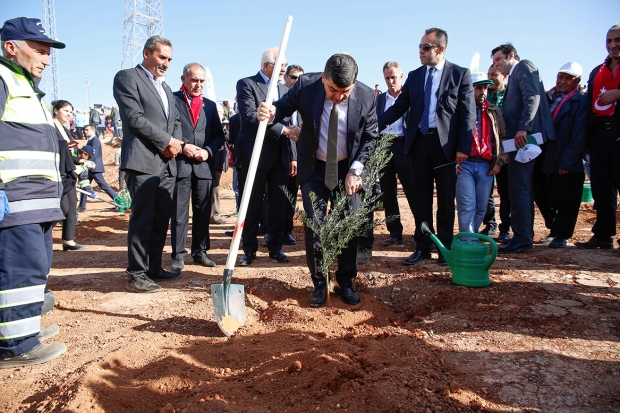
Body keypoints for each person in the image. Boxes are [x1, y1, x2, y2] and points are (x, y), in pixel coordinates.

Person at [258, 53, 378, 307]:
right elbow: (282, 109)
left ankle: (345, 281)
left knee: (349, 224)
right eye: (333, 90)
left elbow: (371, 136)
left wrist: (356, 170)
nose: (339, 97)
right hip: (314, 168)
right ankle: (320, 282)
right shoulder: (305, 86)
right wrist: (271, 112)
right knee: (316, 225)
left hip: (348, 168)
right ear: (324, 78)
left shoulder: (367, 96)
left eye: (345, 92)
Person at [0, 16, 67, 367]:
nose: (45, 57)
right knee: (18, 270)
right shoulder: (3, 79)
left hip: (38, 200)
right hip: (16, 198)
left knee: (34, 268)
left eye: (47, 52)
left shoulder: (27, 86)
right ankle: (15, 346)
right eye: (38, 50)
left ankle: (23, 330)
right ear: (11, 47)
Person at [379, 28, 476, 266]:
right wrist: (370, 124)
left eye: (425, 47)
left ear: (440, 49)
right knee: (421, 198)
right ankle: (423, 246)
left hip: (445, 147)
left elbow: (467, 115)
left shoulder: (459, 74)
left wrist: (463, 148)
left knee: (445, 198)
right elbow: (398, 108)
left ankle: (444, 248)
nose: (420, 51)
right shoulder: (415, 75)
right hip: (418, 144)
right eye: (420, 47)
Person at [113, 34, 183, 293]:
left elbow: (174, 121)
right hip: (143, 160)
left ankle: (154, 267)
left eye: (169, 59)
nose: (166, 63)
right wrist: (165, 142)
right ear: (147, 53)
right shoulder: (127, 77)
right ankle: (136, 273)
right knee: (142, 218)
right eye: (162, 57)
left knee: (160, 218)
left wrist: (176, 143)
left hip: (166, 163)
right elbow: (134, 118)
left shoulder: (165, 88)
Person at [491, 43, 556, 253]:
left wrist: (523, 128)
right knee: (520, 187)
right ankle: (521, 235)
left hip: (525, 140)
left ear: (511, 55)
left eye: (499, 60)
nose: (496, 65)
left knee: (520, 187)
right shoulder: (514, 75)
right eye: (494, 62)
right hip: (520, 141)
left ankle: (523, 238)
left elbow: (533, 97)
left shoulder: (524, 66)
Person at [235, 47, 296, 266]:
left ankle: (275, 247)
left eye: (284, 65)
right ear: (265, 66)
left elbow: (289, 121)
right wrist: (284, 130)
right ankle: (249, 249)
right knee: (251, 205)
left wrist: (293, 156)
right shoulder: (247, 84)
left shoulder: (284, 90)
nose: (283, 69)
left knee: (278, 204)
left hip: (279, 156)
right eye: (279, 65)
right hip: (254, 156)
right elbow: (251, 118)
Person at [357, 60, 416, 264]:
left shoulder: (410, 98)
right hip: (382, 147)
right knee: (387, 192)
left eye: (394, 77)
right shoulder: (378, 100)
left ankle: (421, 233)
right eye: (387, 78)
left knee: (412, 190)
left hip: (404, 146)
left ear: (401, 76)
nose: (391, 81)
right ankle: (395, 233)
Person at [170, 63, 225, 271]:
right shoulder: (172, 100)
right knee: (179, 212)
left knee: (203, 211)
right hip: (180, 164)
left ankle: (200, 252)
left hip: (203, 167)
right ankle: (178, 254)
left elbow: (219, 135)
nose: (198, 84)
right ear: (183, 79)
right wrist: (183, 146)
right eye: (194, 80)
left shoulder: (210, 106)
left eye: (202, 81)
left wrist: (208, 151)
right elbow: (167, 129)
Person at [576, 24, 620, 250]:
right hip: (599, 134)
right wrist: (585, 141)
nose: (613, 45)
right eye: (609, 41)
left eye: (617, 40)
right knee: (602, 187)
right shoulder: (597, 71)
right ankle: (603, 235)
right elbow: (587, 106)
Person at [541, 62, 588, 248]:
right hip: (546, 154)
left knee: (568, 197)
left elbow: (579, 133)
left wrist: (567, 161)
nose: (562, 81)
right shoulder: (548, 97)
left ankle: (562, 233)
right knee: (543, 192)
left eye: (568, 78)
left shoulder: (579, 101)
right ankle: (554, 227)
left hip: (566, 156)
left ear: (576, 81)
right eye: (560, 76)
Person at [455, 73, 507, 235]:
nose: (482, 92)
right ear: (469, 89)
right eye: (478, 88)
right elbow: (448, 137)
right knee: (467, 204)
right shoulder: (458, 110)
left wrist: (499, 163)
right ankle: (468, 241)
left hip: (487, 165)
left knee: (482, 206)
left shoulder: (493, 111)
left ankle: (472, 235)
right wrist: (454, 162)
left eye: (484, 88)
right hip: (465, 164)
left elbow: (503, 137)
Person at [51, 100, 89, 251]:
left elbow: (67, 151)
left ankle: (69, 240)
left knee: (72, 207)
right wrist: (78, 160)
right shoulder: (50, 126)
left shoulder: (65, 129)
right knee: (63, 208)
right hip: (58, 172)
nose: (69, 114)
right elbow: (58, 149)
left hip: (69, 172)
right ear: (55, 110)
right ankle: (40, 235)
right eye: (66, 111)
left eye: (71, 112)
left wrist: (79, 158)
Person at [481, 64, 510, 241]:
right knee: (487, 192)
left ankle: (505, 228)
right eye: (489, 74)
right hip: (487, 152)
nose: (491, 78)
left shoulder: (510, 96)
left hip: (506, 148)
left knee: (506, 192)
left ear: (504, 76)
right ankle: (490, 224)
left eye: (495, 74)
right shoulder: (484, 96)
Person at [282, 64, 305, 246]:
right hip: (281, 156)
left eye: (300, 78)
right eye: (293, 77)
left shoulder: (306, 103)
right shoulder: (280, 101)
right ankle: (271, 230)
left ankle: (287, 230)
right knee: (274, 195)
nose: (297, 81)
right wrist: (292, 157)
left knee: (291, 195)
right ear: (285, 78)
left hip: (302, 157)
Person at [77, 125, 118, 212]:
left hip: (94, 167)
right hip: (90, 167)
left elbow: (93, 153)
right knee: (84, 186)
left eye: (87, 130)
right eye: (84, 130)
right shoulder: (90, 140)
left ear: (92, 131)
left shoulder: (95, 140)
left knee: (103, 185)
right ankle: (81, 207)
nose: (85, 131)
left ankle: (118, 201)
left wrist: (83, 149)